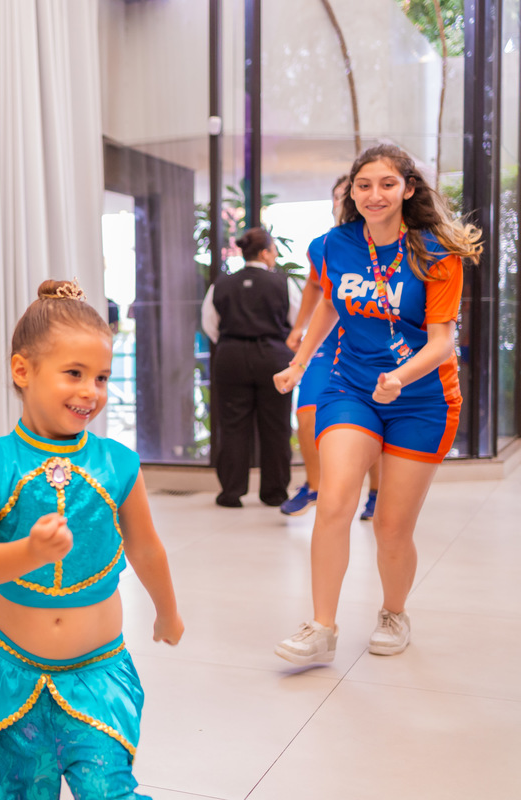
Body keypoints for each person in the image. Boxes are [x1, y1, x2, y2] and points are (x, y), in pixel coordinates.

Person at [0, 280, 183, 800]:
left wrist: (167, 611)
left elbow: (146, 547)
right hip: (10, 677)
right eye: (74, 373)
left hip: (97, 677)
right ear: (23, 371)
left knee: (110, 790)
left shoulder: (119, 464)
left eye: (102, 377)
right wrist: (31, 552)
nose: (91, 391)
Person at [272, 144, 480, 666]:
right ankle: (322, 626)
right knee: (337, 499)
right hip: (352, 388)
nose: (374, 195)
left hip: (423, 399)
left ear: (408, 189)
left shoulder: (435, 252)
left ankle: (394, 611)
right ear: (352, 191)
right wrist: (300, 364)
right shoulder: (332, 246)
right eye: (364, 185)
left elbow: (441, 342)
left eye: (387, 184)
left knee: (391, 527)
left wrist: (401, 377)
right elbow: (327, 304)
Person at [282, 176, 380, 518]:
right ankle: (314, 486)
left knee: (373, 417)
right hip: (326, 344)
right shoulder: (322, 245)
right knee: (307, 412)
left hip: (364, 343)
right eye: (340, 196)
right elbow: (316, 288)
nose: (344, 202)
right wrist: (299, 329)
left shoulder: (384, 242)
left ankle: (376, 493)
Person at [201, 228, 301, 508]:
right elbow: (296, 319)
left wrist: (232, 342)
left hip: (230, 356)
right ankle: (274, 493)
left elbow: (210, 323)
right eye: (274, 251)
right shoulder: (283, 283)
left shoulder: (221, 284)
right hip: (273, 357)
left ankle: (231, 493)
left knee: (232, 425)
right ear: (265, 253)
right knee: (277, 425)